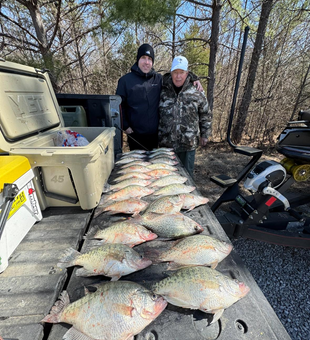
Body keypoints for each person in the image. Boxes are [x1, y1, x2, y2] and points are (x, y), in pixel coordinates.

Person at [116, 44, 203, 151]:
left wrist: (194, 78)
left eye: (149, 59)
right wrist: (125, 126)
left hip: (155, 135)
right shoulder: (125, 81)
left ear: (152, 62)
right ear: (138, 59)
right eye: (143, 58)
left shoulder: (159, 79)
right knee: (139, 166)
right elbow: (119, 106)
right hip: (135, 135)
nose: (146, 62)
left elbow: (178, 78)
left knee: (154, 166)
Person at [158, 55, 212, 176]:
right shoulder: (161, 89)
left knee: (186, 178)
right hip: (166, 145)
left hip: (188, 145)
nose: (178, 76)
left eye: (181, 72)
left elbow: (205, 114)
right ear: (171, 73)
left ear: (187, 73)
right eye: (175, 72)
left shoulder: (196, 91)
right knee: (166, 178)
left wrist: (205, 134)